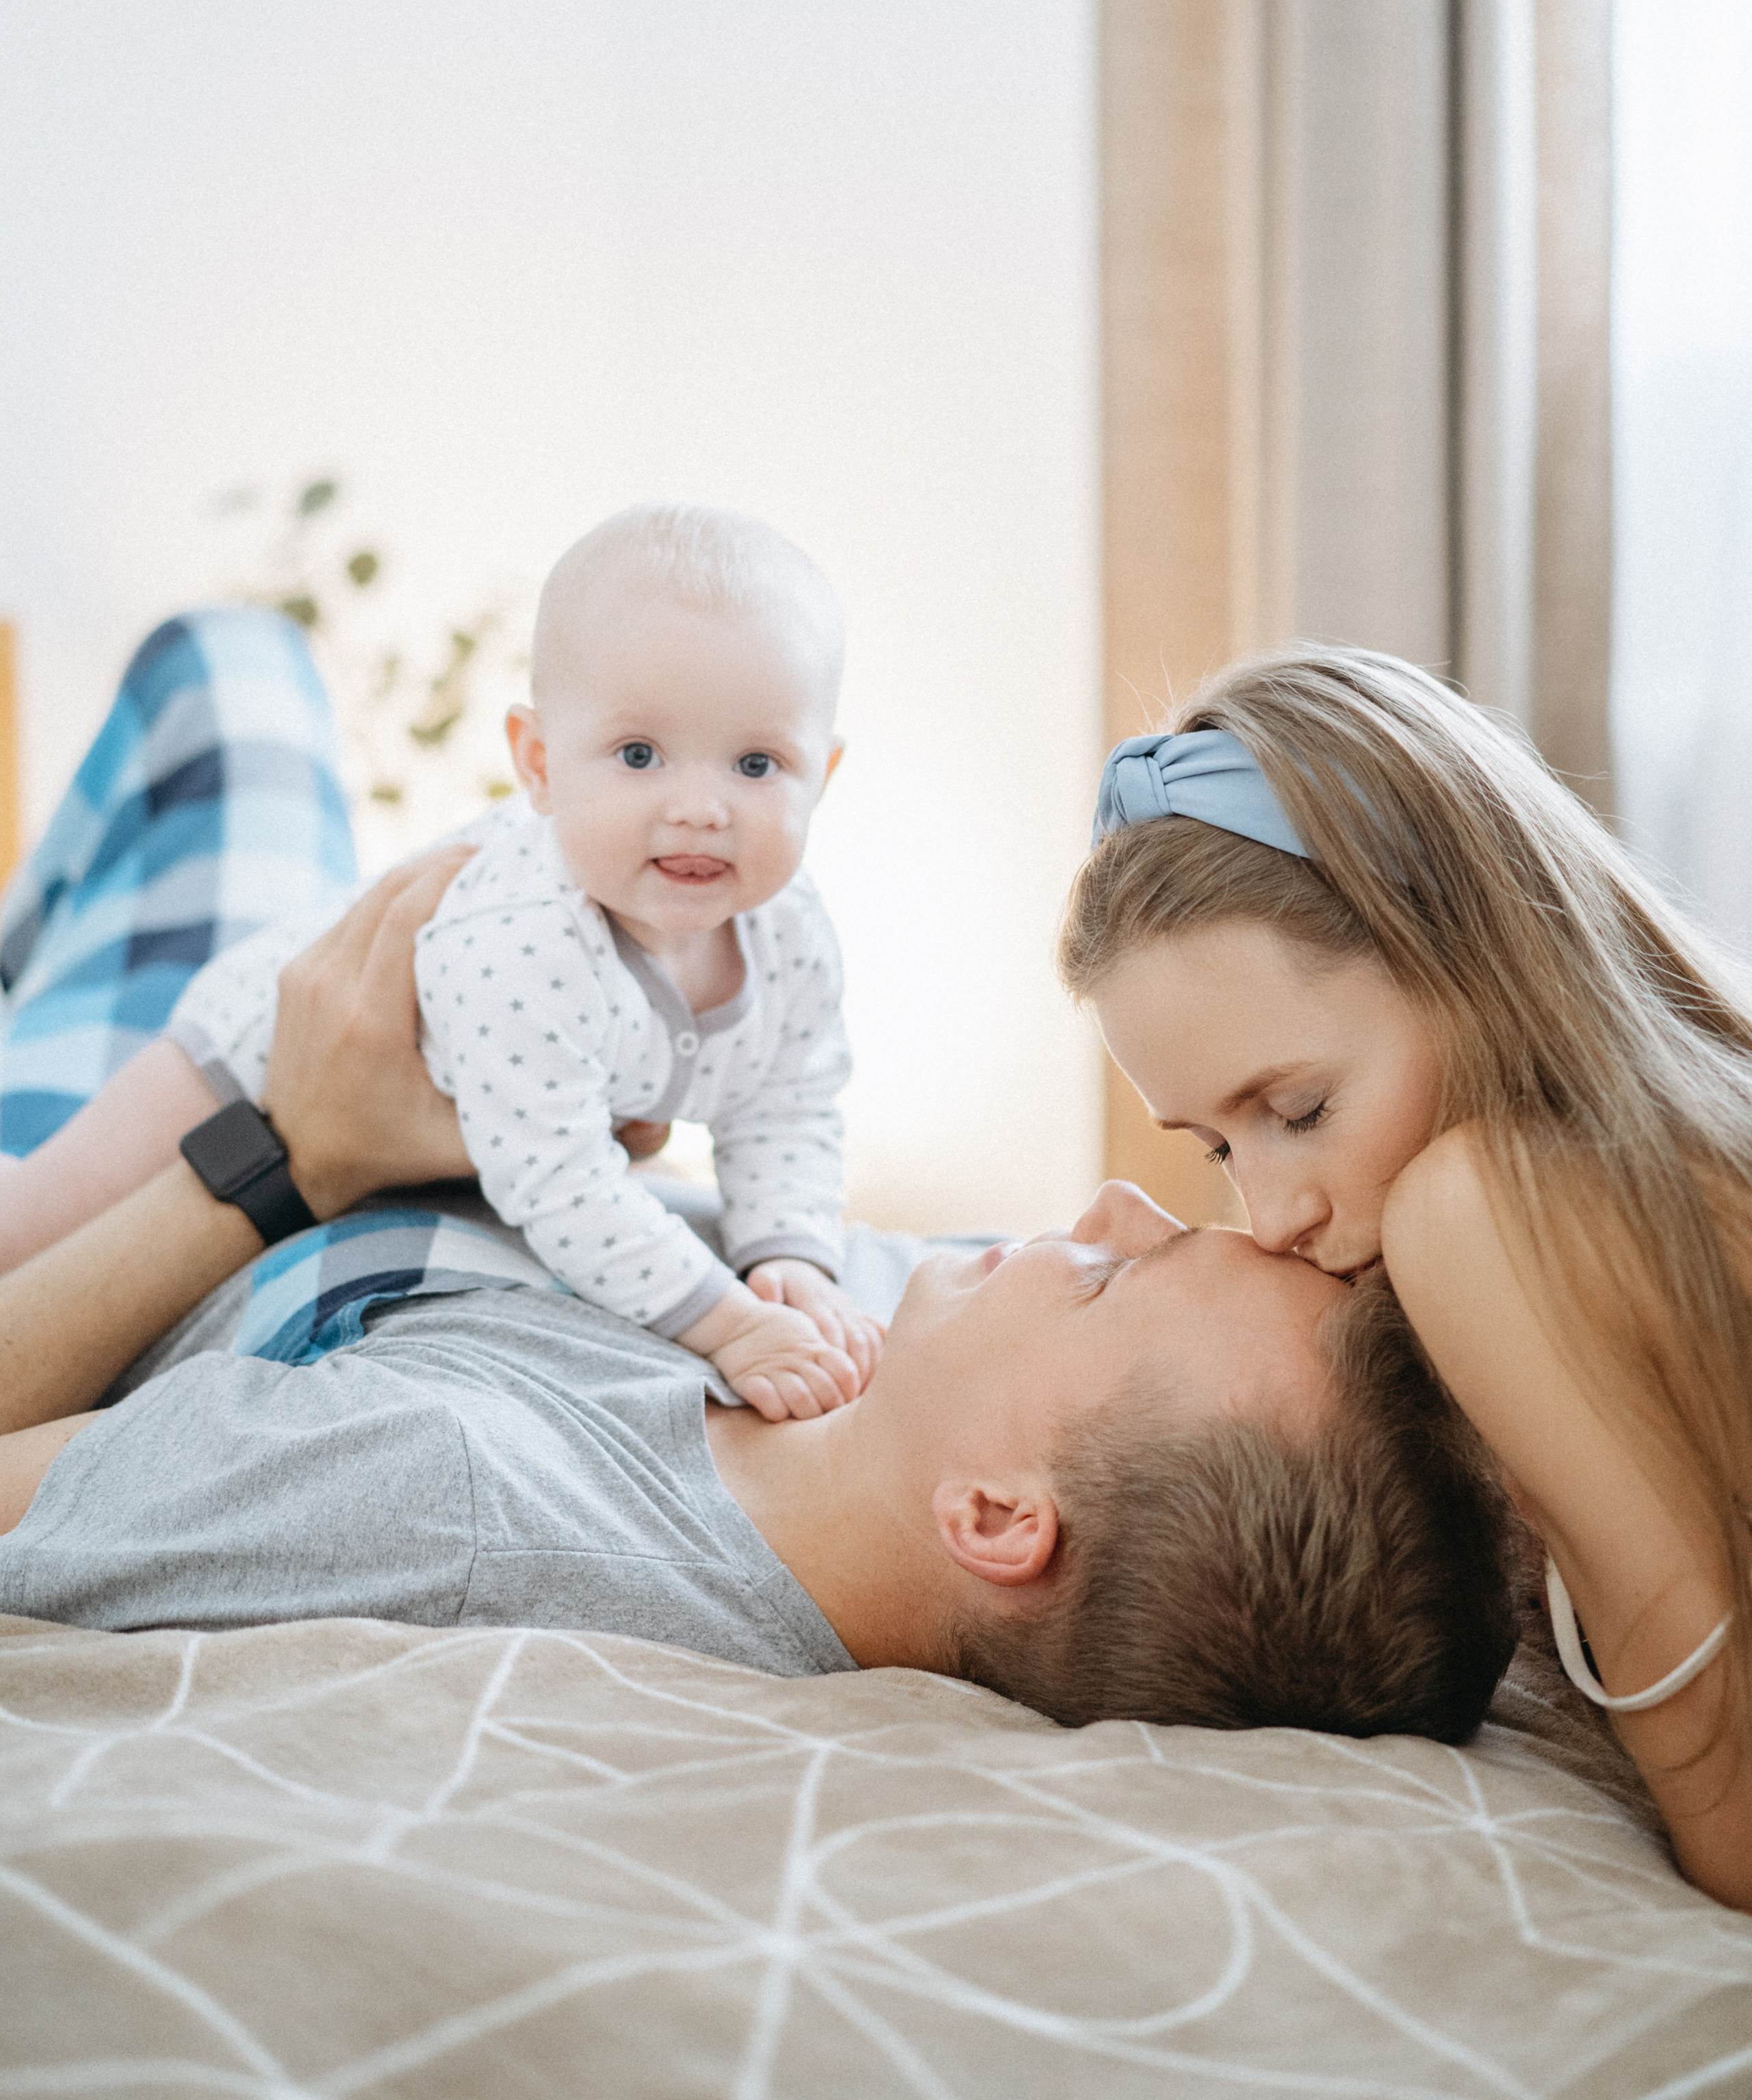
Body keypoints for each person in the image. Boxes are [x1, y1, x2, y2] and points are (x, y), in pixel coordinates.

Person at [0, 608, 1521, 1738]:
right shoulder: (913, 1348)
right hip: (366, 1062)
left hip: (188, 1158)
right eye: (1190, 1187)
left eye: (1113, 1274)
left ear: (994, 1518)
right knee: (235, 672)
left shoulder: (455, 1499)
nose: (1110, 1204)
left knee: (220, 678)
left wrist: (278, 1158)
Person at [1060, 650, 1752, 1908]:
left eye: (1300, 1108)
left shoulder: (1474, 1209)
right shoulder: (1677, 1159)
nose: (1270, 1217)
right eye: (1219, 1149)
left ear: (1466, 957)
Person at [3, 506, 879, 1422]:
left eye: (755, 764)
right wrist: (731, 1324)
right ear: (538, 764)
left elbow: (790, 1104)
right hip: (248, 1058)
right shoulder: (532, 936)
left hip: (409, 1133)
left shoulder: (792, 936)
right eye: (639, 754)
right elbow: (561, 1185)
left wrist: (789, 1258)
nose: (702, 806)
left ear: (823, 773)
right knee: (31, 1228)